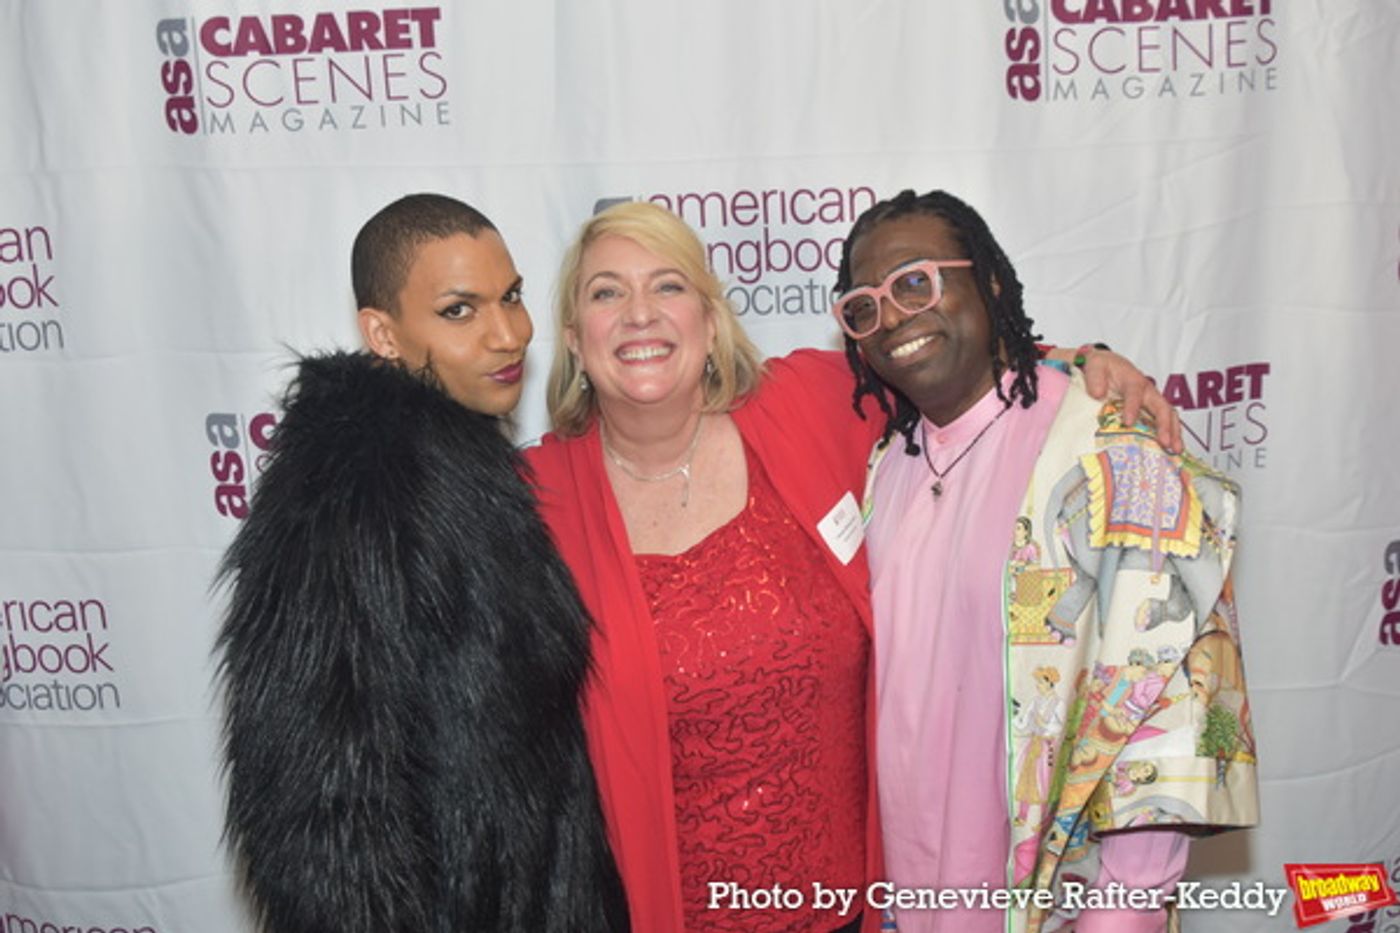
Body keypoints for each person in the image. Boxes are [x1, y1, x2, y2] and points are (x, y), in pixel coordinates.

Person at [525, 200, 1182, 933]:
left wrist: (1083, 362)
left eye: (668, 285)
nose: (640, 312)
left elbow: (950, 362)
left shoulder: (809, 405)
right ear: (576, 340)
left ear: (710, 323)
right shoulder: (530, 507)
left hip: (858, 909)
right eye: (607, 291)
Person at [836, 189, 1257, 932]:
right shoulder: (885, 464)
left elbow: (1169, 710)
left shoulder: (1113, 449)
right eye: (864, 307)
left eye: (916, 282)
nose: (893, 317)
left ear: (990, 283)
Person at [215, 194, 628, 933]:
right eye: (459, 311)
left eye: (511, 297)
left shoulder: (462, 468)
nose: (508, 335)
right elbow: (320, 803)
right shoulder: (354, 487)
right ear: (384, 332)